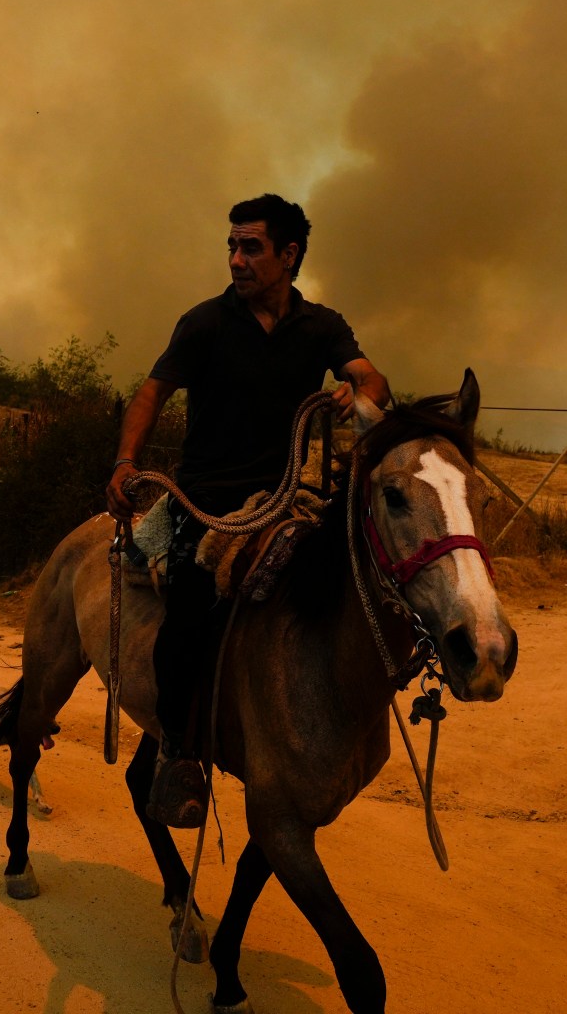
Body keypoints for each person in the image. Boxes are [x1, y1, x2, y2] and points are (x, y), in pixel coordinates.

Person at [106, 193, 390, 827]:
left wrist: (355, 391)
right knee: (187, 609)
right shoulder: (205, 323)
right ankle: (179, 753)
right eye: (231, 246)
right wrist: (125, 462)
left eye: (250, 247)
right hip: (204, 504)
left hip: (285, 498)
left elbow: (374, 381)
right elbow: (153, 392)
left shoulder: (320, 326)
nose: (235, 259)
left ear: (289, 255)